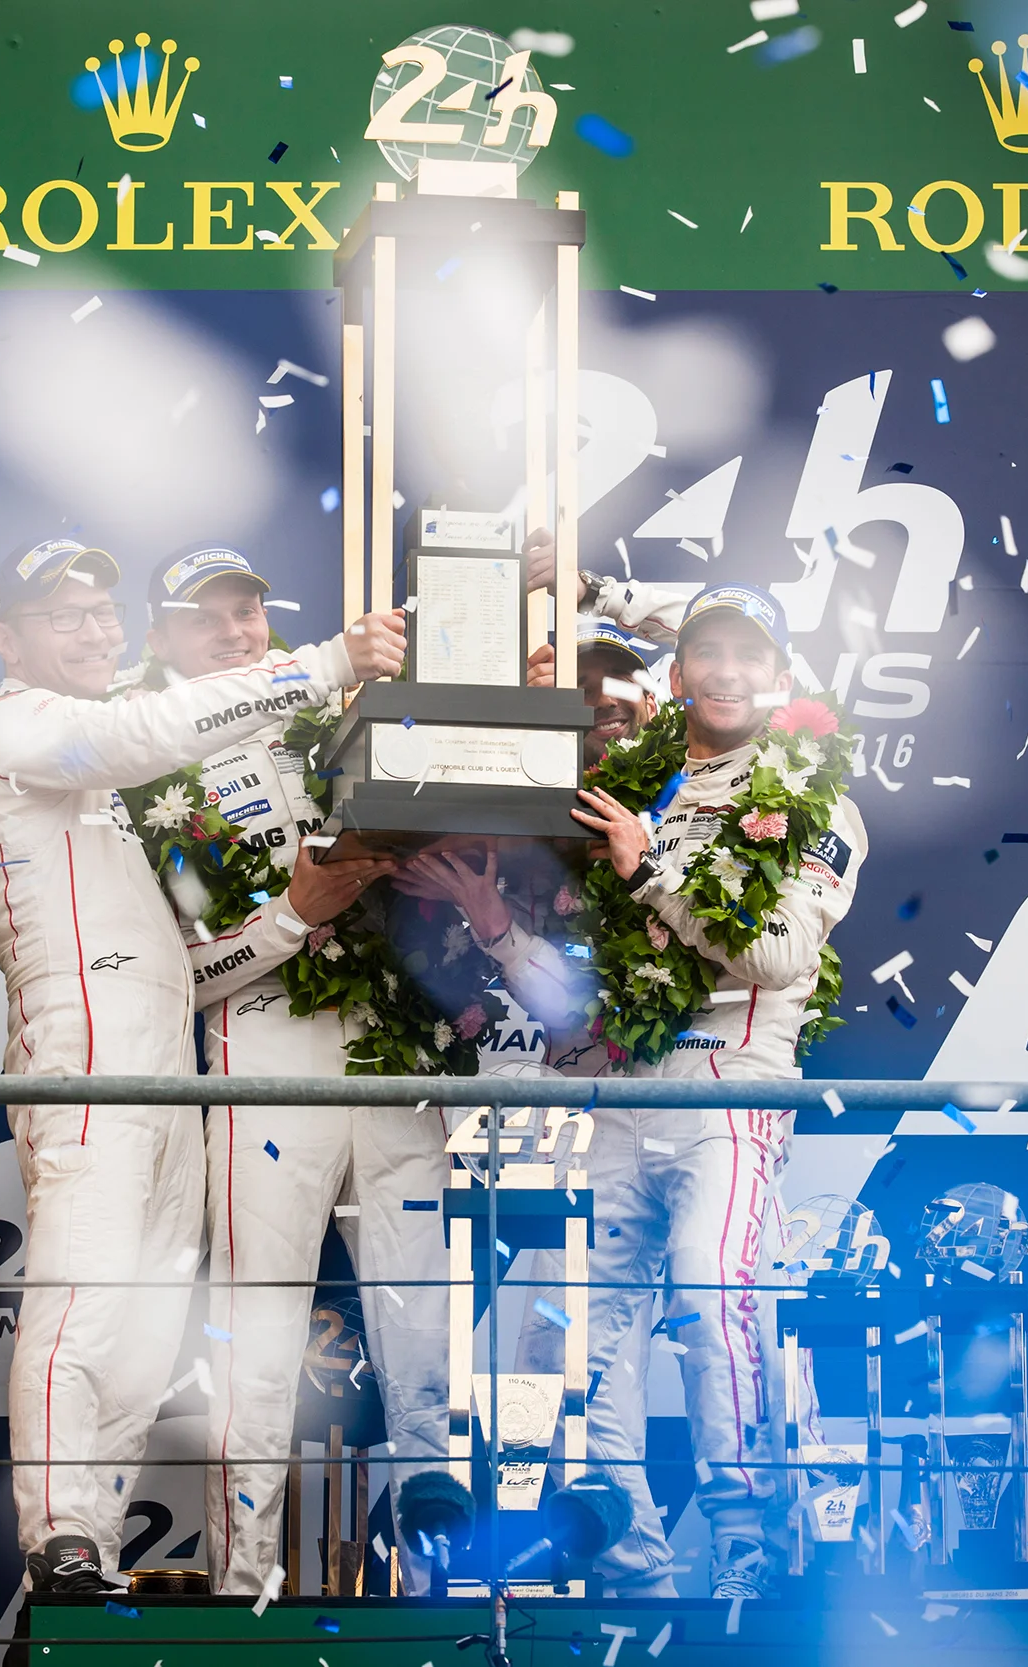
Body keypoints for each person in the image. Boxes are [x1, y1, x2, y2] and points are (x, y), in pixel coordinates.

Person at [0, 536, 405, 1592]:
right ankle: (58, 1530)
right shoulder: (16, 726)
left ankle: (92, 1549)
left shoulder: (105, 769)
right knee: (82, 1298)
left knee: (147, 1335)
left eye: (102, 611)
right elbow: (150, 724)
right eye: (63, 616)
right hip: (84, 1048)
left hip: (165, 1059)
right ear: (8, 637)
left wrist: (294, 917)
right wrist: (328, 661)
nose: (94, 630)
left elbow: (192, 958)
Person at [405, 585, 866, 1599]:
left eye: (752, 652)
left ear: (781, 672)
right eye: (709, 650)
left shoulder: (811, 789)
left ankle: (750, 1545)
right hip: (619, 1085)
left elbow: (780, 953)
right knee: (575, 1329)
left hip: (731, 1082)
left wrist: (650, 863)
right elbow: (582, 994)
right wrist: (489, 917)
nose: (730, 670)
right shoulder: (637, 784)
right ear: (681, 670)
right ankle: (630, 1561)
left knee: (709, 1292)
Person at [125, 544, 443, 1596]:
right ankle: (239, 1580)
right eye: (206, 618)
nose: (233, 632)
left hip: (391, 1051)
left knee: (421, 1308)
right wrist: (288, 921)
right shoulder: (145, 777)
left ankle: (442, 1568)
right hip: (259, 1052)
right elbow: (174, 977)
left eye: (248, 611)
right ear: (162, 637)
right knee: (258, 1334)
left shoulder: (333, 721)